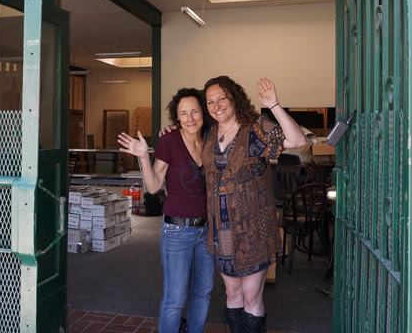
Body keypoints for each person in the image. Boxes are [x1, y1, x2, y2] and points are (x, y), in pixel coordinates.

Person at [201, 76, 306, 333]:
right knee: (232, 294)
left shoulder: (255, 128)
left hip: (253, 232)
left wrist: (274, 105)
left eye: (222, 98)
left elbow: (298, 141)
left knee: (251, 297)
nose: (216, 106)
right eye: (210, 102)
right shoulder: (209, 132)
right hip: (222, 233)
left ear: (234, 98)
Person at [118, 88, 215, 333]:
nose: (190, 118)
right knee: (175, 299)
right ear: (177, 117)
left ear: (203, 113)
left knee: (202, 293)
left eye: (195, 111)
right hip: (177, 230)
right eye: (183, 113)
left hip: (208, 231)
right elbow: (153, 187)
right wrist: (143, 157)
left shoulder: (211, 139)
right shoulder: (169, 140)